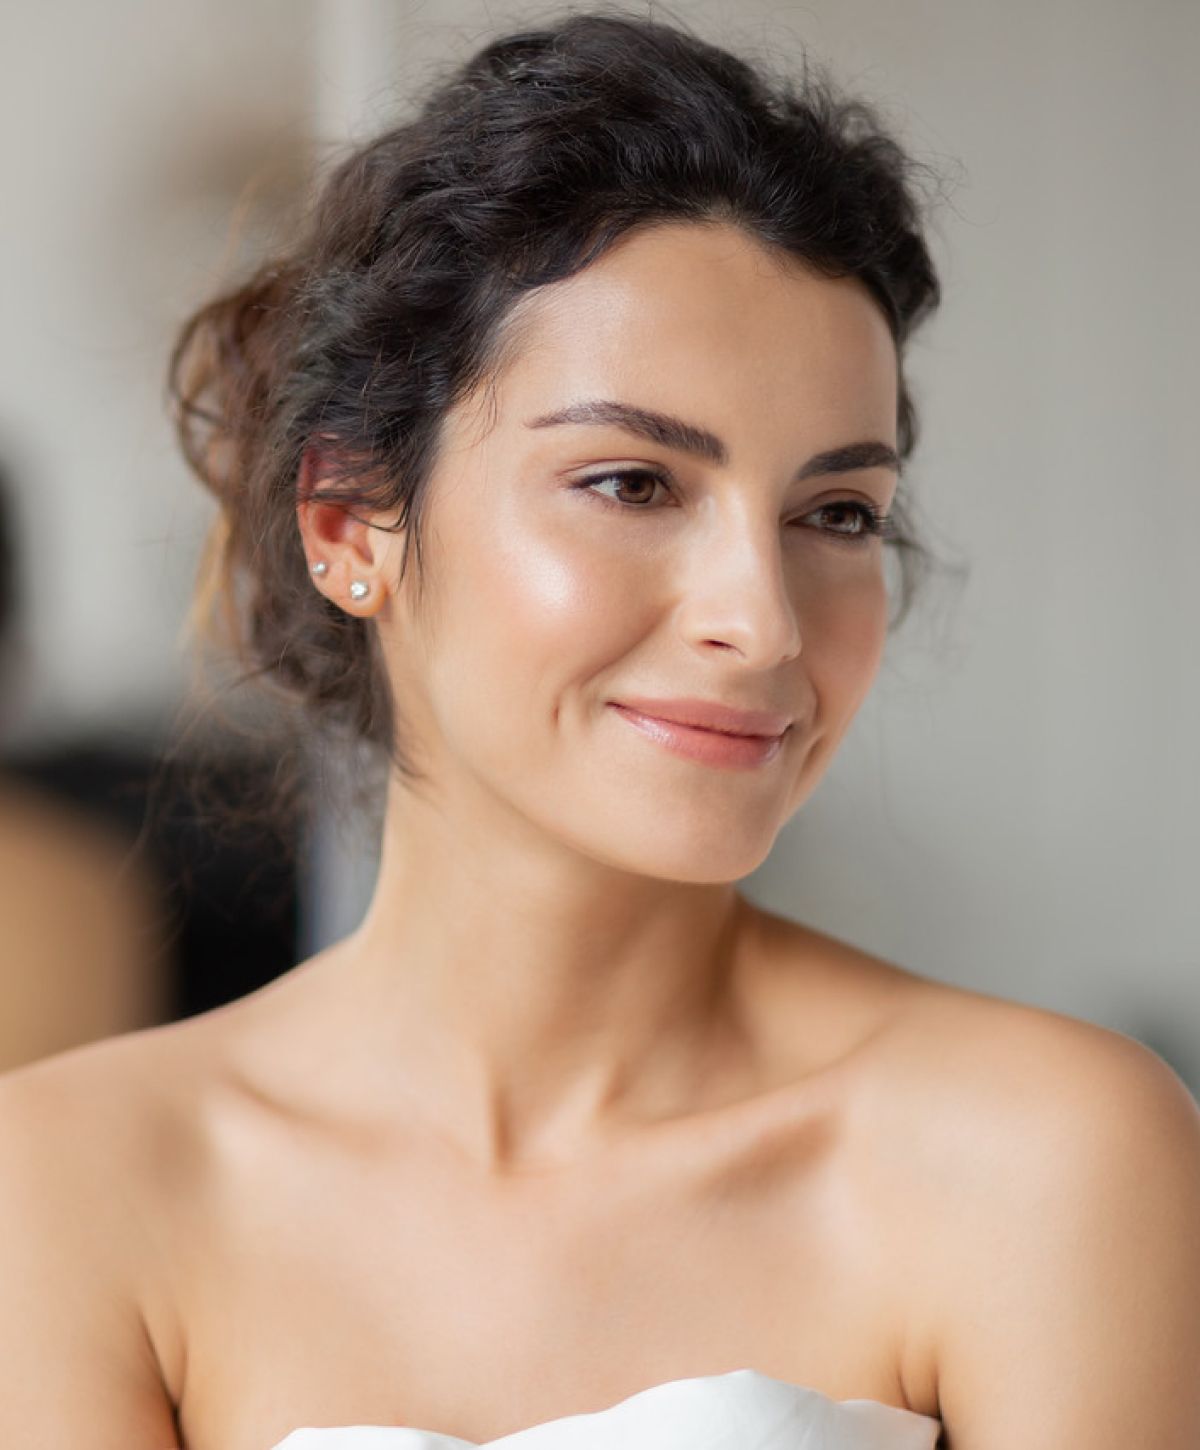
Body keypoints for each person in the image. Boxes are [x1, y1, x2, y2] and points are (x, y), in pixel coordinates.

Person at [2, 10, 1198, 1450]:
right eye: (632, 483)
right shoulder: (70, 1188)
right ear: (350, 523)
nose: (760, 622)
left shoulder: (1049, 1156)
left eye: (836, 513)